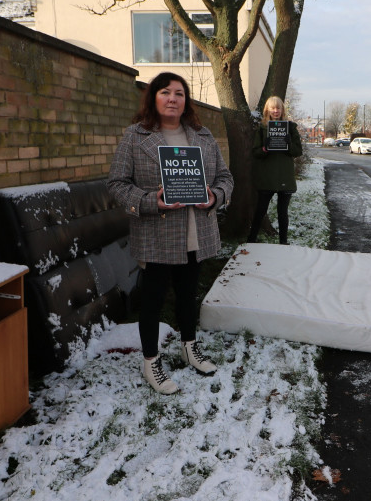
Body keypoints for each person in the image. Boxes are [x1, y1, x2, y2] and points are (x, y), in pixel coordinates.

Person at [108, 72, 234, 394]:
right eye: (166, 92)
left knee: (188, 297)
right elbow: (117, 185)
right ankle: (151, 362)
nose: (173, 99)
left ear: (185, 100)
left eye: (179, 93)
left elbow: (225, 177)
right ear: (154, 98)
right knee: (152, 301)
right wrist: (152, 201)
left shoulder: (203, 136)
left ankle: (189, 346)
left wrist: (215, 196)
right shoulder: (135, 137)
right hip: (157, 235)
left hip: (196, 233)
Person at [246, 96, 303, 245]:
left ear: (282, 109)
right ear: (267, 110)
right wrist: (266, 148)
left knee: (282, 212)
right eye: (273, 108)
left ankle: (283, 243)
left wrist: (288, 144)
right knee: (260, 210)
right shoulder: (261, 128)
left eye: (278, 108)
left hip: (285, 176)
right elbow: (256, 153)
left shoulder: (290, 128)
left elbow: (298, 151)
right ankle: (251, 240)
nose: (276, 111)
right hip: (267, 176)